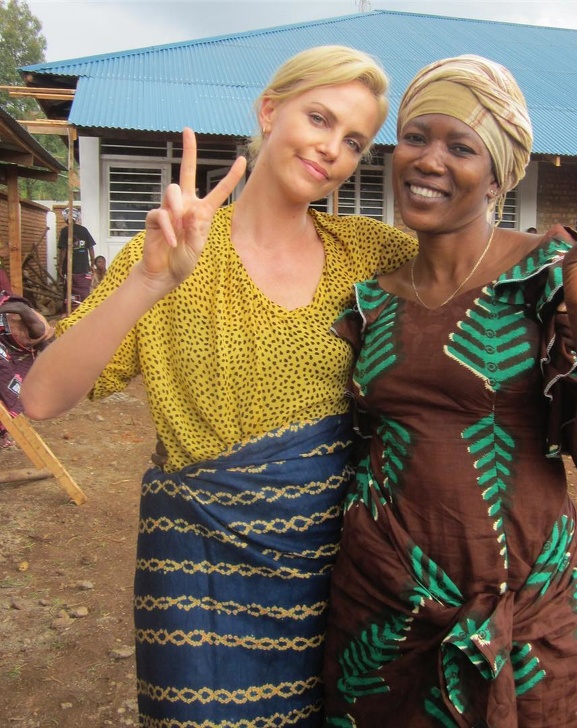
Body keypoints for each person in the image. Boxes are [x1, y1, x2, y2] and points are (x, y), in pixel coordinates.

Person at [21, 46, 416, 726]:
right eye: (319, 118)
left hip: (332, 576)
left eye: (354, 141)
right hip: (198, 578)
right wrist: (150, 281)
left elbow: (477, 271)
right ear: (269, 110)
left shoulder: (372, 255)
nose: (331, 149)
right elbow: (42, 398)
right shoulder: (175, 251)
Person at [323, 55, 577, 727]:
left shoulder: (549, 275)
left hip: (530, 629)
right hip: (382, 622)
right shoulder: (370, 302)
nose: (428, 159)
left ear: (499, 174)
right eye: (416, 137)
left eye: (461, 146)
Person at [0, 291, 54, 447]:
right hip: (4, 319)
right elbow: (19, 307)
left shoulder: (29, 350)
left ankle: (4, 427)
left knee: (11, 378)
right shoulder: (39, 328)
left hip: (5, 335)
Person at [56, 207, 97, 306]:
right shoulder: (84, 230)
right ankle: (83, 308)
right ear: (76, 218)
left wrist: (60, 266)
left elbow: (63, 250)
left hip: (71, 269)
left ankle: (71, 309)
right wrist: (92, 264)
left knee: (70, 289)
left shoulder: (65, 231)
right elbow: (91, 248)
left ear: (66, 218)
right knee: (84, 289)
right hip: (84, 267)